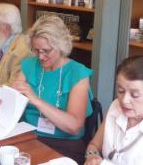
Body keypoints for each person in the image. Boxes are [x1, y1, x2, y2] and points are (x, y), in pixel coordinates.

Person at [12, 15, 94, 164]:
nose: (40, 56)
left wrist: (36, 101)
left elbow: (74, 126)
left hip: (64, 145)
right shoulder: (30, 65)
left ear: (61, 46)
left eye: (46, 51)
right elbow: (14, 103)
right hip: (28, 137)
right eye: (36, 50)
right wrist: (6, 99)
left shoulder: (78, 73)